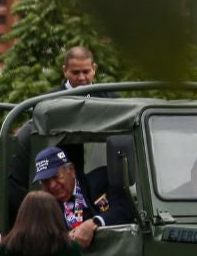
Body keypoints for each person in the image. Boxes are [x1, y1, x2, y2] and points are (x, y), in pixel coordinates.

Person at [7, 45, 116, 217]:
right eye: (75, 72)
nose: (82, 78)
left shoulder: (111, 100)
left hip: (97, 184)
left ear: (94, 70)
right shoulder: (49, 103)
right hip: (61, 185)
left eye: (86, 71)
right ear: (65, 71)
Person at [32, 145, 133, 250]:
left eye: (55, 177)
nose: (52, 185)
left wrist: (94, 223)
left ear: (71, 170)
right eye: (45, 181)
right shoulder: (45, 208)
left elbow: (124, 210)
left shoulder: (102, 181)